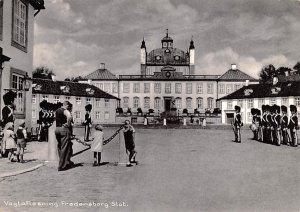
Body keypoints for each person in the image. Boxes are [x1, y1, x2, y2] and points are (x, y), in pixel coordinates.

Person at [55, 101, 73, 171]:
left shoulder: (57, 111)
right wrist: (67, 124)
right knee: (64, 148)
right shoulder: (65, 110)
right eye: (68, 106)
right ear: (67, 105)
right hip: (63, 129)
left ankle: (65, 162)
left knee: (59, 146)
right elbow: (69, 117)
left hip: (57, 129)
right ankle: (62, 166)